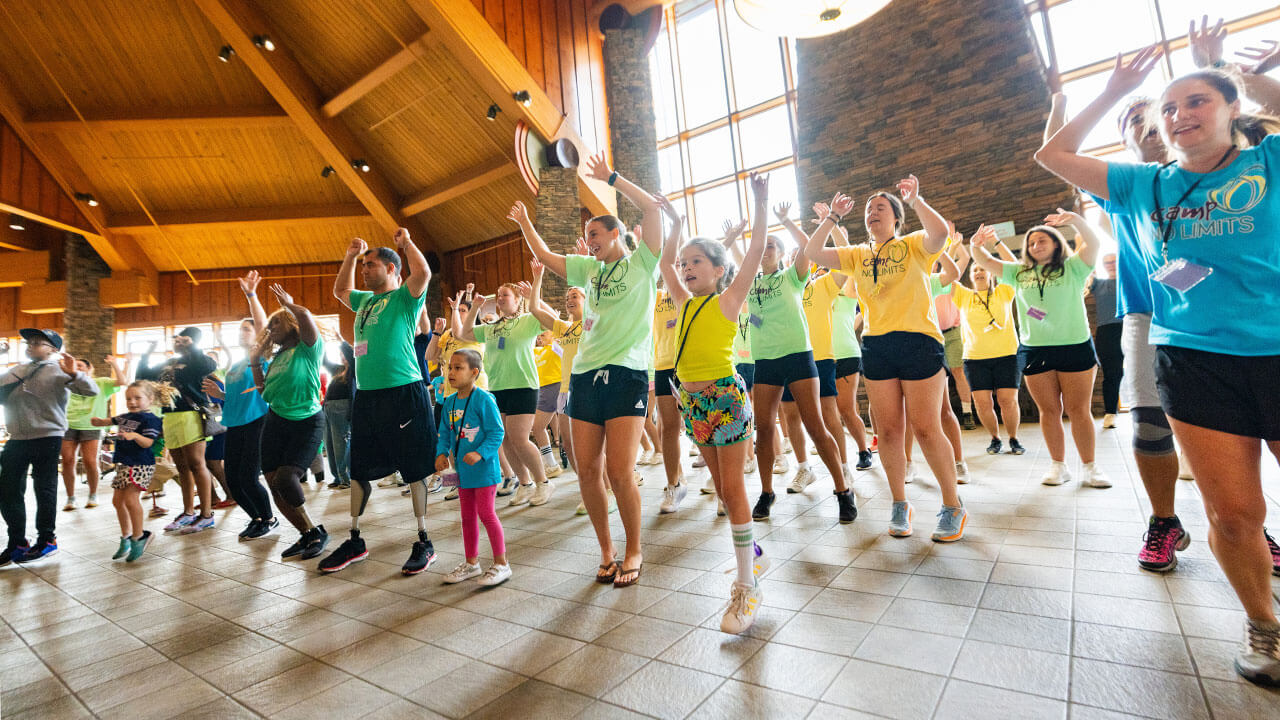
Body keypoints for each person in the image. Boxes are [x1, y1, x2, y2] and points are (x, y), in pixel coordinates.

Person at [1034, 40, 1280, 684]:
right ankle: (1266, 628)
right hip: (1192, 358)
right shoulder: (1143, 185)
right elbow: (1052, 155)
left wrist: (1243, 75)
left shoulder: (1270, 162)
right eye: (1168, 107)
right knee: (1232, 513)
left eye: (1197, 100)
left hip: (1276, 347)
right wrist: (1110, 95)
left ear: (1232, 109)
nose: (1179, 115)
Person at [508, 152, 661, 588]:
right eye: (585, 235)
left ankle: (634, 548)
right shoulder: (589, 270)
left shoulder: (642, 263)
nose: (588, 239)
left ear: (616, 233)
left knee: (619, 470)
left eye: (595, 232)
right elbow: (544, 254)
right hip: (584, 377)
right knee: (587, 471)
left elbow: (651, 208)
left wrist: (611, 177)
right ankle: (607, 550)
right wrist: (524, 222)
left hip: (628, 372)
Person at [805, 181, 966, 542]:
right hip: (877, 345)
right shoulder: (858, 254)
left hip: (920, 341)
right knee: (889, 431)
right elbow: (814, 252)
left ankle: (952, 504)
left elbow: (939, 233)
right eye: (868, 208)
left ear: (896, 217)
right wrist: (832, 218)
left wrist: (916, 199)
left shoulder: (912, 246)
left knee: (926, 429)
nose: (872, 211)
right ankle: (899, 503)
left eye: (881, 207)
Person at [660, 171, 772, 633]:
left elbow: (754, 251)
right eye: (686, 263)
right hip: (693, 404)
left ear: (719, 270)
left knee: (735, 491)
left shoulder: (728, 300)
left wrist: (760, 204)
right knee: (724, 492)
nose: (686, 268)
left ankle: (747, 587)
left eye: (697, 262)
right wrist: (676, 222)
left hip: (725, 400)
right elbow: (665, 262)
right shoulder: (683, 302)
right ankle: (754, 556)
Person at [322, 227, 438, 575]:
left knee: (415, 468)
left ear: (391, 269)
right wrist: (349, 255)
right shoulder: (364, 301)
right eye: (363, 265)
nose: (364, 269)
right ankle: (355, 538)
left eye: (370, 264)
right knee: (358, 469)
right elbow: (340, 290)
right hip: (368, 397)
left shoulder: (405, 297)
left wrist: (406, 243)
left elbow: (424, 273)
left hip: (404, 393)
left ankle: (423, 540)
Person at [969, 211, 1110, 489]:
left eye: (1042, 239)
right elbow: (984, 260)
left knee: (1079, 409)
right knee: (1049, 410)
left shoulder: (1073, 267)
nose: (1035, 245)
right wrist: (975, 244)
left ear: (1056, 243)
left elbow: (1093, 244)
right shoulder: (1018, 272)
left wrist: (1077, 221)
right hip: (1035, 349)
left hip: (1075, 345)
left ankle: (1090, 466)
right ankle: (1059, 466)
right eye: (1031, 243)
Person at [747, 205, 857, 524]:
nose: (765, 250)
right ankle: (767, 492)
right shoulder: (751, 284)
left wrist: (784, 221)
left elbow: (808, 247)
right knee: (765, 429)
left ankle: (842, 490)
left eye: (771, 245)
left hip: (798, 355)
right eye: (761, 245)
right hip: (765, 361)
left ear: (781, 253)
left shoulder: (791, 277)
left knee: (815, 425)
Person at [0, 329, 98, 564]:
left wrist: (75, 374)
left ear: (53, 349)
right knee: (7, 489)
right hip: (16, 438)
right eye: (29, 342)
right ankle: (17, 543)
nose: (30, 345)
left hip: (48, 436)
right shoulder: (16, 370)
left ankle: (47, 540)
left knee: (44, 488)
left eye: (37, 342)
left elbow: (91, 391)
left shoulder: (59, 370)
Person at [456, 275, 552, 507]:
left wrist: (533, 298)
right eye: (498, 296)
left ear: (517, 300)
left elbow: (553, 319)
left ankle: (543, 482)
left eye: (505, 295)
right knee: (504, 439)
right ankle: (525, 483)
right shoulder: (491, 327)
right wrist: (476, 307)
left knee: (519, 437)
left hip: (523, 385)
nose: (499, 299)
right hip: (498, 387)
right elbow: (464, 333)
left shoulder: (528, 320)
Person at [252, 284, 329, 561]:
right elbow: (264, 393)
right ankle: (307, 534)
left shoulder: (308, 350)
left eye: (276, 323)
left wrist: (291, 305)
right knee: (274, 483)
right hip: (276, 421)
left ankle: (316, 530)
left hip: (306, 421)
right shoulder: (278, 358)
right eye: (269, 325)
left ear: (290, 323)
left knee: (287, 478)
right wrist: (254, 363)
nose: (270, 329)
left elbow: (307, 319)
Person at [204, 271, 279, 540]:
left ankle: (269, 518)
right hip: (233, 424)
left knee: (248, 477)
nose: (241, 332)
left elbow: (263, 324)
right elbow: (238, 396)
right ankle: (256, 518)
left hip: (257, 422)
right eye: (240, 329)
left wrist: (251, 295)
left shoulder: (261, 356)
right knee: (233, 481)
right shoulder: (235, 365)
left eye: (246, 329)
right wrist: (220, 395)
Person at [436, 349, 510, 586]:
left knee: (486, 514)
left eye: (458, 368)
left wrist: (480, 453)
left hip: (484, 470)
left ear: (474, 372)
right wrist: (440, 454)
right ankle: (471, 563)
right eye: (450, 367)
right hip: (460, 472)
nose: (451, 372)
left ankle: (501, 564)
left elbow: (497, 432)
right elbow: (445, 434)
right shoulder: (448, 402)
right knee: (467, 516)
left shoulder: (484, 399)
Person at [949, 228, 1025, 456]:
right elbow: (950, 274)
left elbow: (1013, 266)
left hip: (1007, 355)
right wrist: (954, 246)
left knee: (1007, 400)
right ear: (971, 276)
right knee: (982, 403)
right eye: (975, 270)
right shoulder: (963, 295)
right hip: (975, 358)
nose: (979, 272)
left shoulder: (1003, 291)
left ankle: (1013, 438)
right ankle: (994, 438)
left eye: (983, 268)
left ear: (991, 273)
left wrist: (996, 243)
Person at [137, 327, 219, 534]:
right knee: (181, 466)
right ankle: (188, 512)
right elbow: (142, 376)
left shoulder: (197, 361)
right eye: (177, 339)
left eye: (184, 339)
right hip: (170, 417)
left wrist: (193, 347)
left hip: (191, 415)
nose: (179, 342)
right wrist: (146, 353)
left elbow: (209, 365)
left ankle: (206, 515)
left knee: (197, 464)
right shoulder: (168, 363)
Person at [91, 380, 164, 562]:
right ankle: (126, 536)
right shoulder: (125, 416)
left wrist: (135, 436)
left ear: (150, 399)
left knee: (131, 500)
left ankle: (139, 537)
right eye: (128, 398)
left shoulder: (151, 420)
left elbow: (148, 443)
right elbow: (109, 421)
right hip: (124, 464)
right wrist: (98, 421)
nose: (132, 402)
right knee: (118, 501)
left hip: (141, 464)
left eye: (137, 398)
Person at [61, 356, 123, 510]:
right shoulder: (65, 384)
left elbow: (122, 382)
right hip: (67, 425)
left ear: (89, 369)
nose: (78, 367)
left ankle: (93, 495)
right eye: (75, 365)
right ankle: (70, 498)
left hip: (91, 426)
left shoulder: (100, 382)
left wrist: (115, 363)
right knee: (68, 461)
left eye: (81, 365)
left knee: (90, 461)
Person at [1089, 254, 1124, 429]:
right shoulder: (1097, 283)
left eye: (1114, 261)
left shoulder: (1130, 279)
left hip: (1130, 326)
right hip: (1107, 332)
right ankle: (1110, 413)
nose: (1111, 265)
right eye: (1107, 262)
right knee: (1112, 374)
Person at [322, 340, 355, 490]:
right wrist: (318, 342)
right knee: (330, 445)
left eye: (344, 354)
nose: (342, 357)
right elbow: (324, 360)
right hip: (328, 409)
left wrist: (341, 341)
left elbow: (350, 354)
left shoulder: (354, 370)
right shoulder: (338, 369)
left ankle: (346, 478)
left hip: (342, 409)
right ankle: (336, 476)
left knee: (340, 444)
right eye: (340, 355)